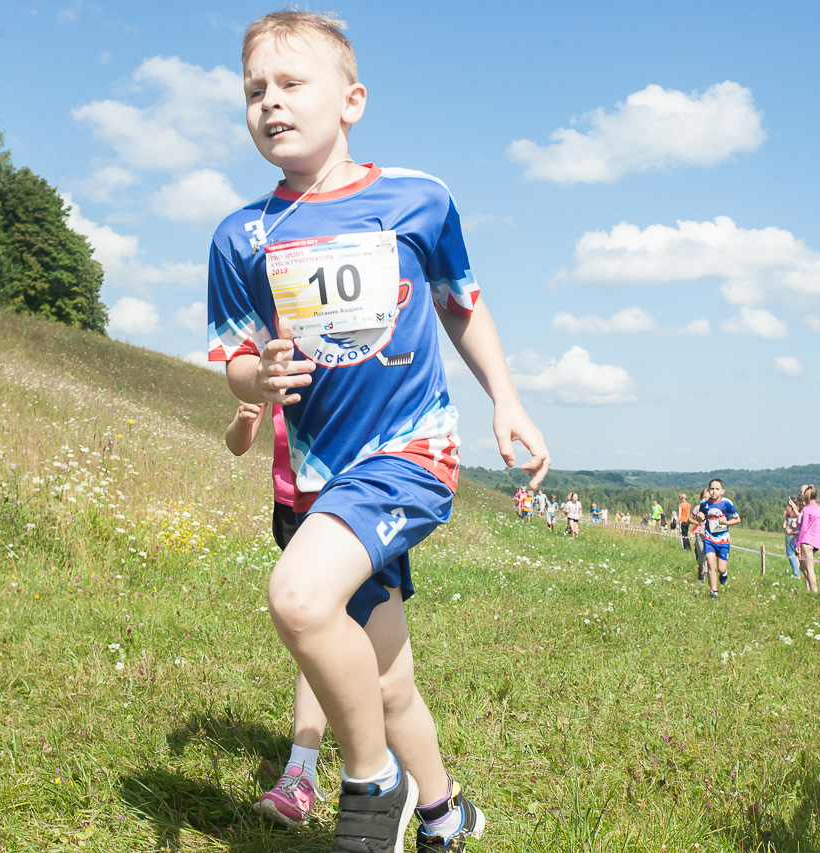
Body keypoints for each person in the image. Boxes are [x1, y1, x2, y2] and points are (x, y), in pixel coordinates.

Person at [209, 12, 552, 849]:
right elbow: (235, 362)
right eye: (255, 90)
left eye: (291, 84)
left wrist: (507, 400)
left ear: (351, 99)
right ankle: (444, 811)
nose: (271, 103)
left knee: (296, 596)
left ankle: (373, 782)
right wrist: (263, 377)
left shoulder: (418, 198)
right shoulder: (239, 237)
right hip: (323, 480)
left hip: (411, 453)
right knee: (387, 678)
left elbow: (460, 302)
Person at [226, 401, 328, 825]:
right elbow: (237, 444)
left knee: (339, 625)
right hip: (292, 502)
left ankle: (314, 767)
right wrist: (245, 418)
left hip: (355, 492)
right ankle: (303, 770)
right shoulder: (282, 347)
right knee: (317, 628)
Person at [694, 479, 740, 600]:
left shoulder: (726, 503)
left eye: (717, 489)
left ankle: (723, 573)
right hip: (709, 538)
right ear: (708, 490)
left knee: (721, 568)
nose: (714, 491)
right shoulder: (704, 503)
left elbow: (737, 519)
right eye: (712, 489)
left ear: (722, 491)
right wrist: (700, 517)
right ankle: (714, 591)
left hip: (723, 540)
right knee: (710, 562)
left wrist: (726, 522)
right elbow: (701, 518)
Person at [796, 485, 820, 593]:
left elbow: (803, 529)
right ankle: (810, 589)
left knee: (809, 569)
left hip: (807, 541)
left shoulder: (807, 510)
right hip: (816, 541)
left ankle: (814, 590)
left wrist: (798, 543)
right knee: (803, 566)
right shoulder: (819, 510)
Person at [783, 494, 802, 579]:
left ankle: (796, 572)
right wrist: (784, 518)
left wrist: (792, 531)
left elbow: (796, 527)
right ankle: (795, 571)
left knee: (793, 554)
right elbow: (784, 526)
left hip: (793, 535)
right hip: (788, 536)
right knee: (789, 553)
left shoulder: (797, 516)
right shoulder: (788, 515)